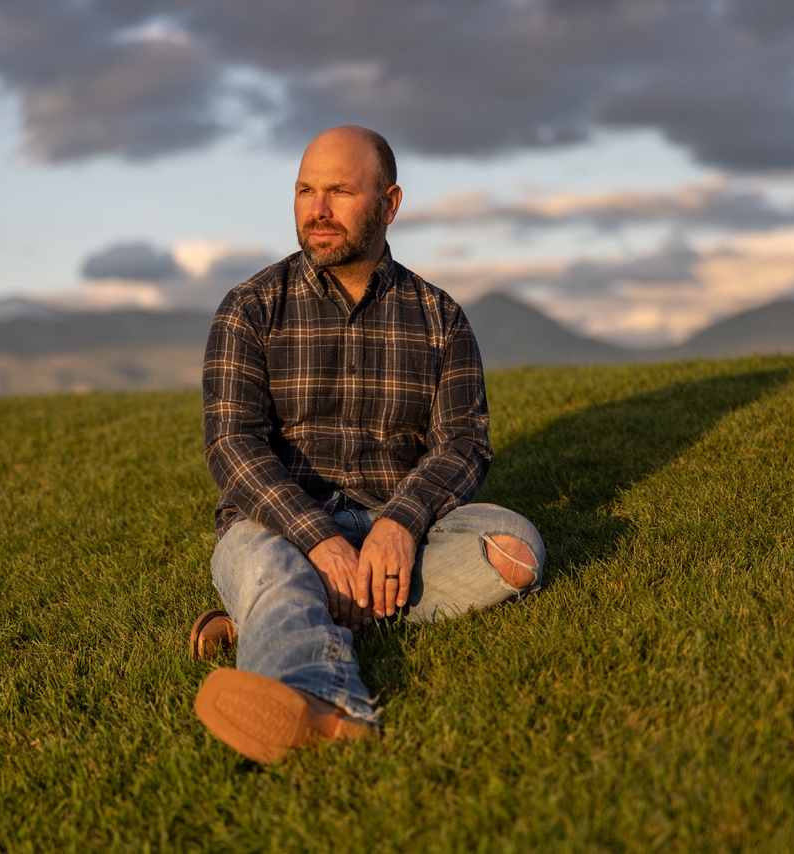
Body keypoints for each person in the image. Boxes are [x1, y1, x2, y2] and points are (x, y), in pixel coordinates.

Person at [192, 125, 545, 764]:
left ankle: (276, 616)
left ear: (390, 203)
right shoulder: (249, 308)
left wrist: (399, 527)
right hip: (276, 527)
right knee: (274, 562)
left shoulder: (441, 317)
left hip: (397, 525)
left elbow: (464, 443)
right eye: (305, 190)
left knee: (514, 551)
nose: (316, 209)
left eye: (339, 191)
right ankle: (321, 700)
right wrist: (319, 539)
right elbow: (231, 446)